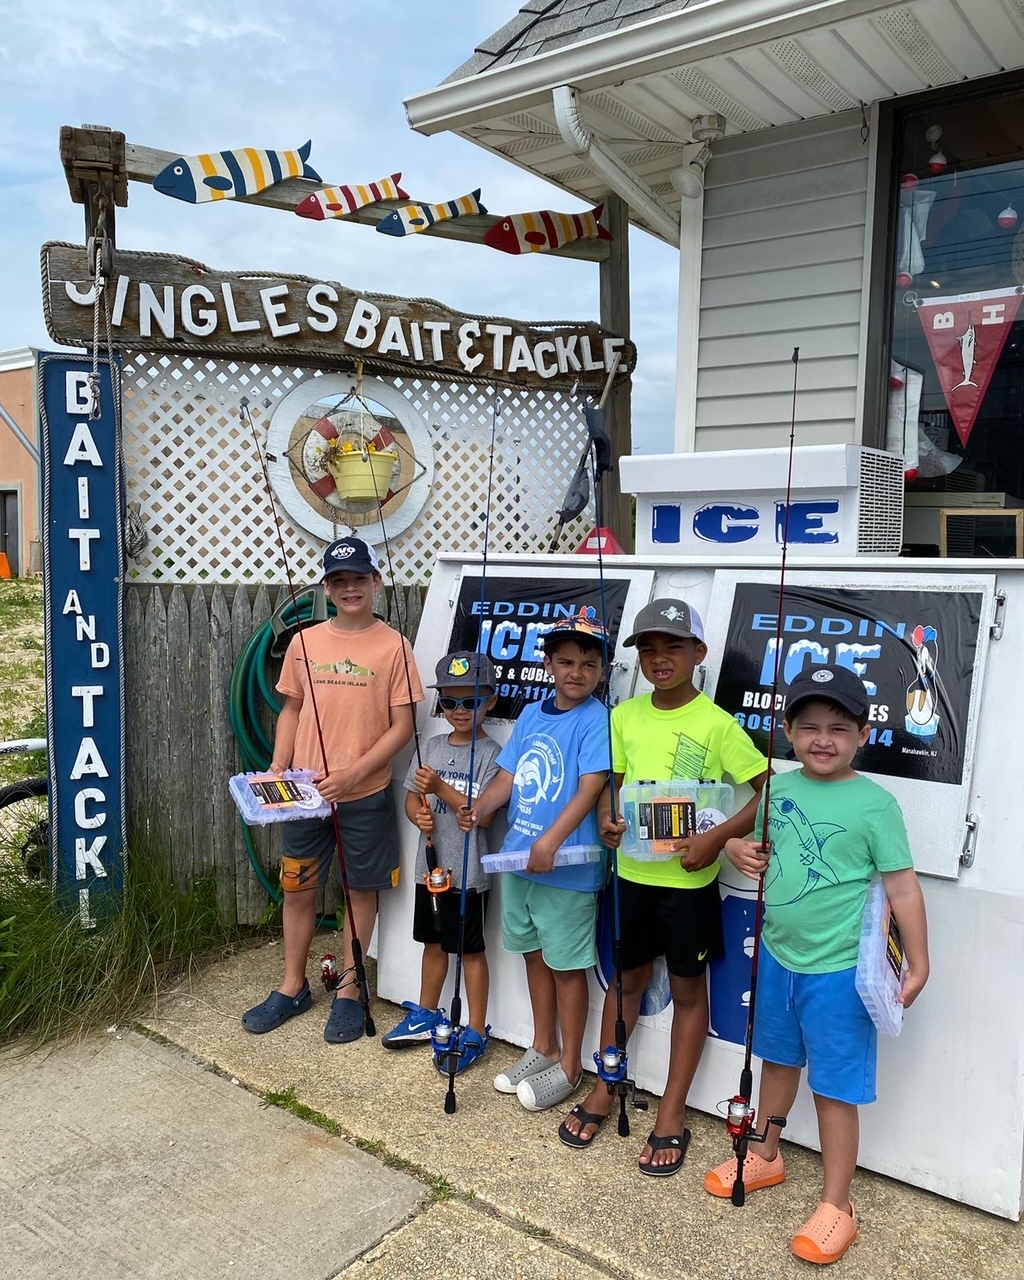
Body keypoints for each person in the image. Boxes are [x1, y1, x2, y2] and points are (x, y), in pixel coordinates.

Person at [704, 664, 929, 1266]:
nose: (822, 739)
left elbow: (903, 888)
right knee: (777, 1062)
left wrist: (920, 960)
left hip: (841, 974)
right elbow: (738, 835)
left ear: (862, 733)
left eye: (837, 727)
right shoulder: (777, 789)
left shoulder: (876, 804)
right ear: (787, 732)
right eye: (808, 727)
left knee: (834, 1091)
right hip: (777, 959)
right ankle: (767, 1153)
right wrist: (733, 845)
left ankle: (839, 1204)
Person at [559, 598, 769, 1176]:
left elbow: (768, 791)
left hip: (690, 884)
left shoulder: (718, 724)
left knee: (688, 991)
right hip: (631, 878)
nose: (659, 659)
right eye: (647, 649)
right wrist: (607, 819)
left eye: (673, 647)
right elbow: (615, 787)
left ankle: (672, 1111)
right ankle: (607, 1086)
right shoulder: (623, 716)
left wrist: (716, 839)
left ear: (699, 654)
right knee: (624, 985)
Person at [242, 536, 423, 1042]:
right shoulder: (304, 643)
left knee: (360, 891)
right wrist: (280, 765)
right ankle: (292, 985)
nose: (349, 589)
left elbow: (402, 726)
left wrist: (353, 774)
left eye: (358, 580)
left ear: (375, 583)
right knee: (297, 887)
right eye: (339, 581)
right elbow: (292, 710)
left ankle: (349, 988)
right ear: (327, 588)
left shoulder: (394, 647)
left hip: (363, 795)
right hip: (302, 794)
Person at [458, 610, 610, 1112]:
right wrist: (481, 805)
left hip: (568, 869)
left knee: (568, 967)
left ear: (602, 671)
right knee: (533, 955)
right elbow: (509, 776)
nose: (576, 672)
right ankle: (542, 1045)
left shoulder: (597, 719)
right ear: (547, 663)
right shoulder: (530, 715)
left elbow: (592, 790)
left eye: (588, 664)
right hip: (518, 863)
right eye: (565, 661)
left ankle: (570, 1066)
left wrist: (550, 841)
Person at [382, 651, 501, 1074]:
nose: (459, 711)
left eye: (469, 701)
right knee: (433, 944)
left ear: (490, 700)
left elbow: (478, 814)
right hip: (428, 870)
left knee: (470, 951)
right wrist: (418, 809)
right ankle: (428, 1013)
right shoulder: (430, 746)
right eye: (449, 702)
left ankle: (476, 1028)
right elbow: (414, 796)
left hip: (467, 876)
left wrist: (442, 788)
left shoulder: (493, 755)